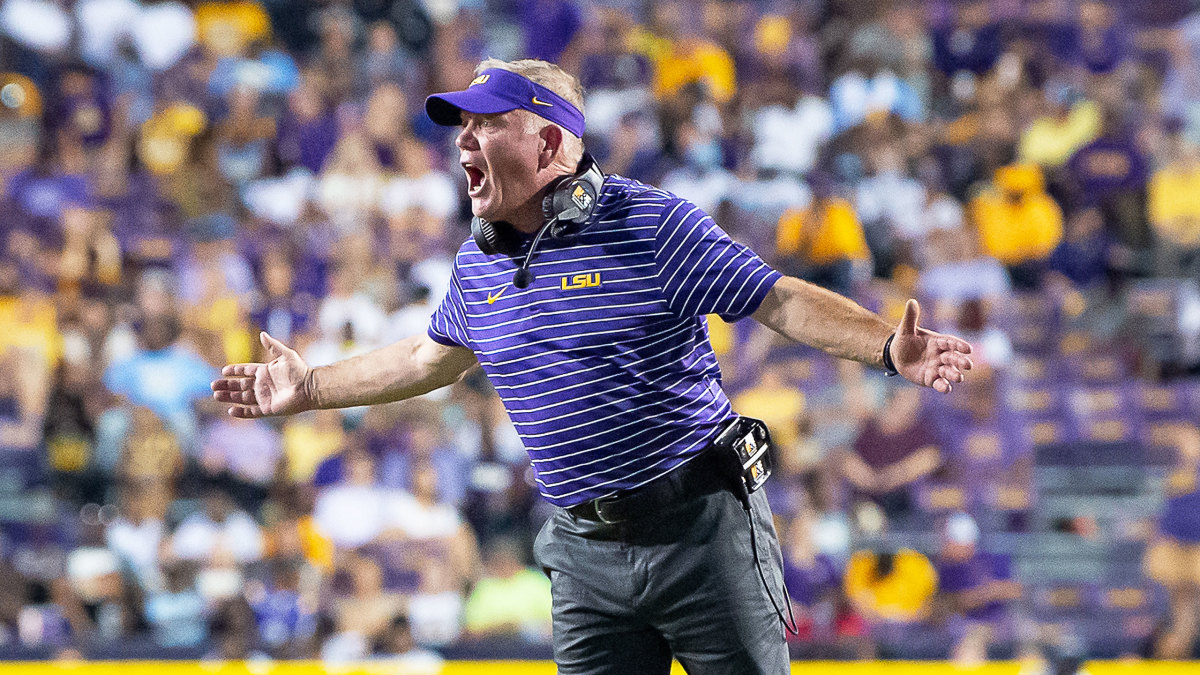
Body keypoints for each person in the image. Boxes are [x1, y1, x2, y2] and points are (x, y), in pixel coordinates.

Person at [212, 58, 973, 674]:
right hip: (581, 552)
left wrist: (883, 345)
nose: (462, 143)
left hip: (701, 533)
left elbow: (774, 299)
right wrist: (310, 386)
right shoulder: (476, 263)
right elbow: (427, 357)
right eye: (460, 127)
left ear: (549, 144)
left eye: (486, 125)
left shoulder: (651, 223)